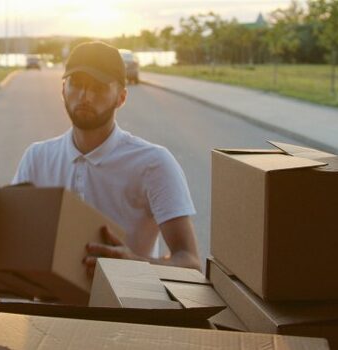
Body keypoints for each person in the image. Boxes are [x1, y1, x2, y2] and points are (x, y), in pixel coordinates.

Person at [12, 41, 201, 274]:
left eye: (99, 87)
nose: (85, 96)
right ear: (62, 90)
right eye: (77, 84)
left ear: (121, 98)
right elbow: (13, 237)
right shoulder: (36, 158)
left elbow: (190, 261)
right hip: (50, 308)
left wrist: (136, 265)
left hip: (123, 308)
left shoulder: (154, 163)